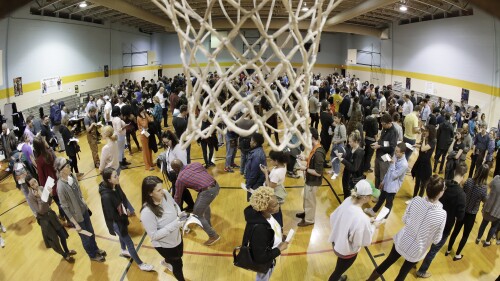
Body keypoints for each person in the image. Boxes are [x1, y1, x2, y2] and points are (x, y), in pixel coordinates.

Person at [366, 175, 447, 281]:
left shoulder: (416, 200)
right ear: (440, 193)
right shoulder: (442, 214)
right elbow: (437, 240)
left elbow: (404, 219)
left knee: (387, 262)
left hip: (402, 240)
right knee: (402, 274)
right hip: (417, 250)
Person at [416, 163, 467, 278]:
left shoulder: (442, 184)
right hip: (445, 227)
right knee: (433, 251)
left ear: (454, 172)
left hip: (431, 218)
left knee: (423, 243)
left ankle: (413, 261)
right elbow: (460, 217)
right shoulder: (461, 195)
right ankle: (422, 271)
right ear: (464, 176)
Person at [99, 168, 153, 271]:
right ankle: (141, 264)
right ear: (109, 180)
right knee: (129, 242)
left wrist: (127, 208)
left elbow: (123, 197)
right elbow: (112, 215)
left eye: (117, 175)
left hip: (121, 217)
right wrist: (124, 213)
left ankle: (123, 250)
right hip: (116, 222)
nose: (118, 177)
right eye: (115, 176)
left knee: (122, 235)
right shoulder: (106, 196)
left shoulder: (116, 185)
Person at [55, 157, 107, 262]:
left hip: (84, 211)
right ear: (61, 171)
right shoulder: (60, 187)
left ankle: (95, 248)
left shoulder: (72, 176)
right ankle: (92, 255)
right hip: (77, 218)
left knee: (91, 232)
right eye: (67, 166)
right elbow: (64, 207)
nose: (70, 166)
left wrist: (85, 205)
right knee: (85, 237)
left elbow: (79, 193)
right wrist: (75, 224)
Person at [328, 180, 382, 281]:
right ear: (365, 197)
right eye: (370, 195)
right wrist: (374, 226)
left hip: (337, 241)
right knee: (338, 271)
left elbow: (337, 217)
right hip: (346, 251)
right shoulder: (361, 218)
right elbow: (362, 241)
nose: (371, 198)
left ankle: (338, 276)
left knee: (339, 266)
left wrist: (368, 220)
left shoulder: (348, 200)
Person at [140, 176, 186, 280]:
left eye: (162, 188)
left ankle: (167, 261)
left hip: (176, 237)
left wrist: (180, 214)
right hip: (165, 245)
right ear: (150, 193)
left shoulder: (165, 194)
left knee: (179, 255)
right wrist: (177, 223)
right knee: (178, 265)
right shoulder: (147, 212)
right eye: (158, 190)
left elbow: (175, 205)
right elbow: (154, 236)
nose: (162, 191)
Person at [26, 174, 76, 263]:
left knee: (62, 234)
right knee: (54, 240)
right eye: (32, 184)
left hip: (51, 215)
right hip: (44, 220)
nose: (35, 185)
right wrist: (39, 198)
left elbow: (48, 203)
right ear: (29, 187)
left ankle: (67, 251)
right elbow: (40, 210)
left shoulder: (41, 188)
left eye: (35, 182)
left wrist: (50, 195)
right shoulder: (30, 197)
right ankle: (64, 255)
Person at [242, 186, 289, 281]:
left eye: (277, 203)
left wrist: (279, 237)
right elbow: (261, 258)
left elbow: (271, 231)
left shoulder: (267, 215)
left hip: (270, 253)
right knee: (262, 278)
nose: (278, 206)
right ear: (264, 208)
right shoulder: (260, 229)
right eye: (275, 205)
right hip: (265, 262)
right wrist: (279, 249)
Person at [171, 159, 221, 246]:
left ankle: (213, 236)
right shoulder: (196, 164)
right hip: (216, 185)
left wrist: (175, 208)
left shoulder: (180, 179)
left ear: (175, 169)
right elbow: (204, 174)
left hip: (207, 192)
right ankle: (208, 224)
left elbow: (178, 197)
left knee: (197, 215)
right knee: (204, 205)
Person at [446, 164, 488, 260]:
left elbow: (463, 192)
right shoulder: (484, 188)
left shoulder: (469, 181)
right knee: (465, 235)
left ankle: (448, 250)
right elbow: (485, 200)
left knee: (455, 231)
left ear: (477, 170)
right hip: (471, 215)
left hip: (462, 211)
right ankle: (457, 255)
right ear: (486, 175)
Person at [365, 143, 408, 219]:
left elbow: (394, 175)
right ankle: (373, 211)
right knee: (381, 197)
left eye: (397, 151)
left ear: (403, 153)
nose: (395, 153)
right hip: (387, 183)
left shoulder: (404, 164)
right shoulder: (396, 156)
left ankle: (384, 218)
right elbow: (388, 172)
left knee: (388, 203)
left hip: (393, 187)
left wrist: (392, 164)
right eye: (395, 151)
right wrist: (383, 181)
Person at [157, 130, 194, 212]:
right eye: (164, 142)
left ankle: (178, 212)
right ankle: (191, 205)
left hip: (178, 175)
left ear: (172, 139)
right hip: (173, 174)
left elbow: (182, 164)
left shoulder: (178, 148)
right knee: (183, 191)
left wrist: (179, 176)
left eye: (167, 142)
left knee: (176, 195)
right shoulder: (171, 146)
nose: (166, 144)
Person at [296, 127, 326, 227]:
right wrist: (305, 158)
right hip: (309, 180)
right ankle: (306, 213)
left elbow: (318, 172)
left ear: (312, 138)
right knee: (306, 199)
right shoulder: (315, 148)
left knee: (310, 201)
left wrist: (305, 169)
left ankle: (309, 220)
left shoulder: (318, 153)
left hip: (313, 181)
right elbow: (313, 160)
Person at [259, 151, 288, 227]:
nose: (270, 161)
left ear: (276, 161)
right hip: (279, 190)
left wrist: (265, 173)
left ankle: (278, 229)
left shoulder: (276, 173)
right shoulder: (283, 166)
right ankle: (280, 228)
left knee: (275, 213)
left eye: (271, 160)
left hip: (274, 194)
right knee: (278, 211)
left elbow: (270, 188)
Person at [410, 125, 437, 199]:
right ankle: (414, 198)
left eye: (426, 131)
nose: (424, 132)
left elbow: (423, 149)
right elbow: (422, 146)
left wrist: (424, 139)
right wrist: (416, 145)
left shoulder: (433, 141)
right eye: (424, 130)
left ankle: (418, 200)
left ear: (430, 132)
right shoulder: (426, 139)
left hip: (425, 165)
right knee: (417, 183)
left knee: (423, 185)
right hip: (419, 162)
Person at [372, 113, 398, 189]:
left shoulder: (394, 132)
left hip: (387, 156)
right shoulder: (385, 129)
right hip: (379, 154)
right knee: (377, 174)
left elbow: (392, 147)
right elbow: (383, 141)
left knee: (382, 177)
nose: (382, 126)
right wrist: (378, 142)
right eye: (382, 124)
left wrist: (380, 146)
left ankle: (381, 195)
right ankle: (376, 191)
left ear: (389, 123)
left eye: (384, 124)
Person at [338, 130, 365, 199]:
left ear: (356, 142)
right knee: (346, 192)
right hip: (347, 175)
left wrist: (343, 160)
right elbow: (348, 159)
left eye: (350, 142)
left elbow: (354, 168)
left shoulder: (359, 152)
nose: (349, 143)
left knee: (350, 195)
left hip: (353, 178)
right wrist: (342, 156)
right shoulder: (351, 148)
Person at [476, 175, 500, 247]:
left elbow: (489, 186)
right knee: (494, 227)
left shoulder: (496, 178)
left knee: (484, 223)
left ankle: (478, 238)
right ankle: (487, 242)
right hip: (498, 211)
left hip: (488, 207)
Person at [245, 133, 267, 199]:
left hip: (255, 183)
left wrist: (248, 184)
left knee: (255, 203)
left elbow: (254, 173)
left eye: (251, 140)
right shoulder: (257, 151)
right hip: (256, 181)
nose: (250, 142)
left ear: (255, 143)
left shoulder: (256, 155)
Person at [137, 106, 155, 171]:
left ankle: (151, 163)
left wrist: (147, 116)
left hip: (148, 134)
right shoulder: (139, 117)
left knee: (149, 149)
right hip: (143, 135)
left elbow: (151, 120)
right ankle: (147, 166)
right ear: (140, 111)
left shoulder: (145, 114)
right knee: (145, 151)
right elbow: (144, 125)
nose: (144, 111)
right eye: (142, 110)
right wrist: (144, 118)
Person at [329, 113, 346, 180]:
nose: (334, 119)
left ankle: (336, 172)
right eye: (334, 117)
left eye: (336, 118)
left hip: (339, 146)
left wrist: (337, 141)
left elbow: (344, 138)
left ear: (339, 119)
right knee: (332, 157)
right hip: (334, 145)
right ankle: (333, 169)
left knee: (337, 159)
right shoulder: (337, 125)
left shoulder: (342, 126)